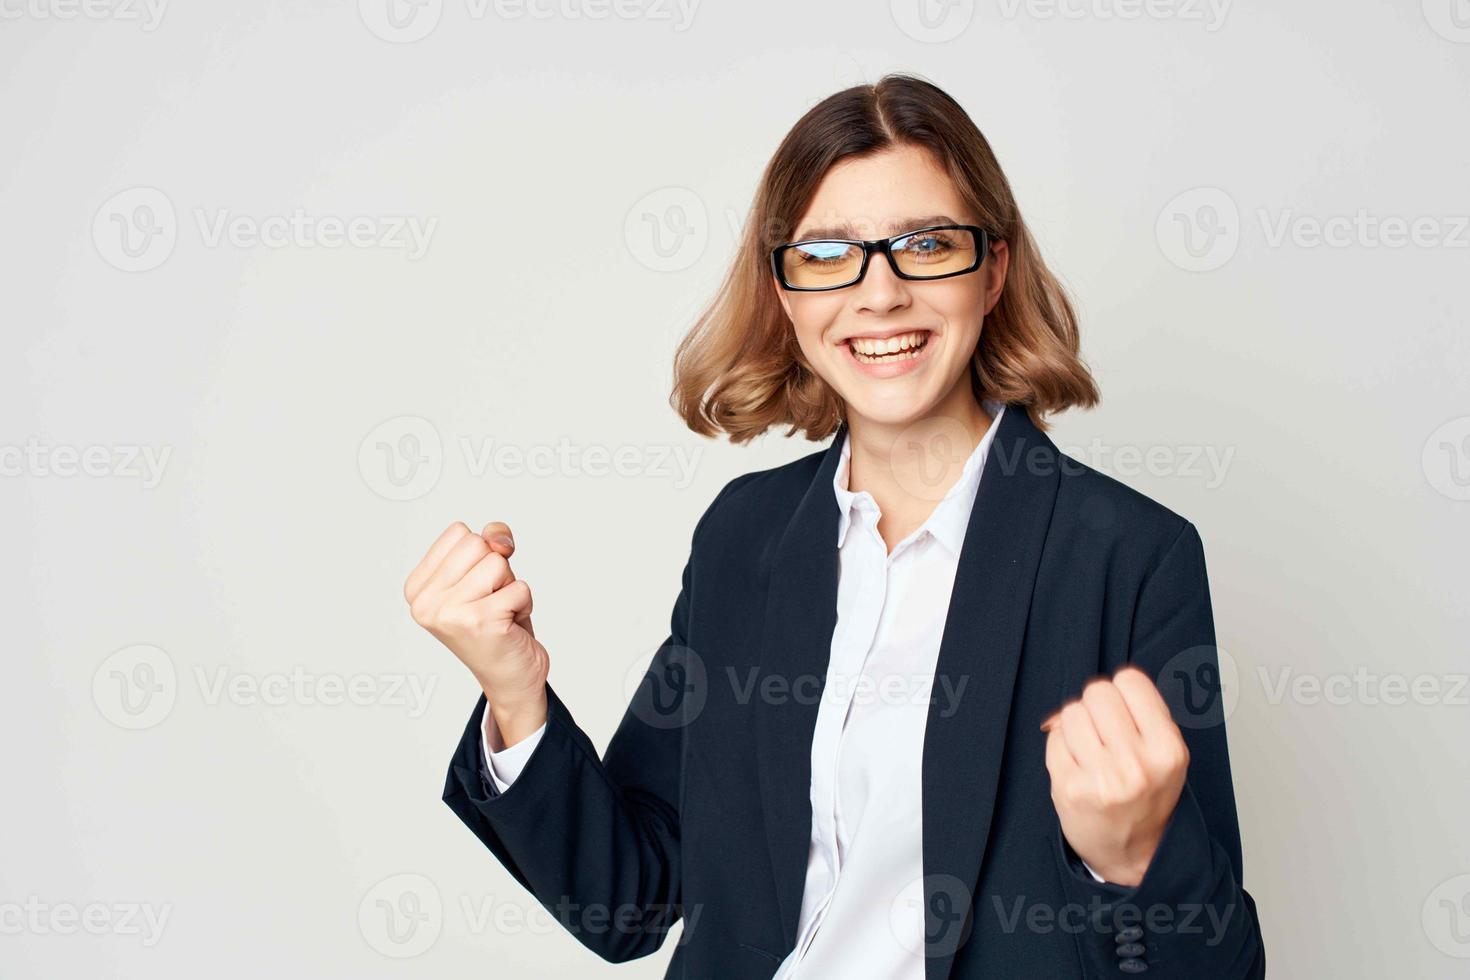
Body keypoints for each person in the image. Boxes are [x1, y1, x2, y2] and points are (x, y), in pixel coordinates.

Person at [405, 72, 1266, 979]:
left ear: (994, 267)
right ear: (786, 291)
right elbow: (631, 899)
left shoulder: (1128, 557)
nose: (881, 293)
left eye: (928, 245)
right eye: (827, 253)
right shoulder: (746, 536)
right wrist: (514, 693)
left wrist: (1132, 862)